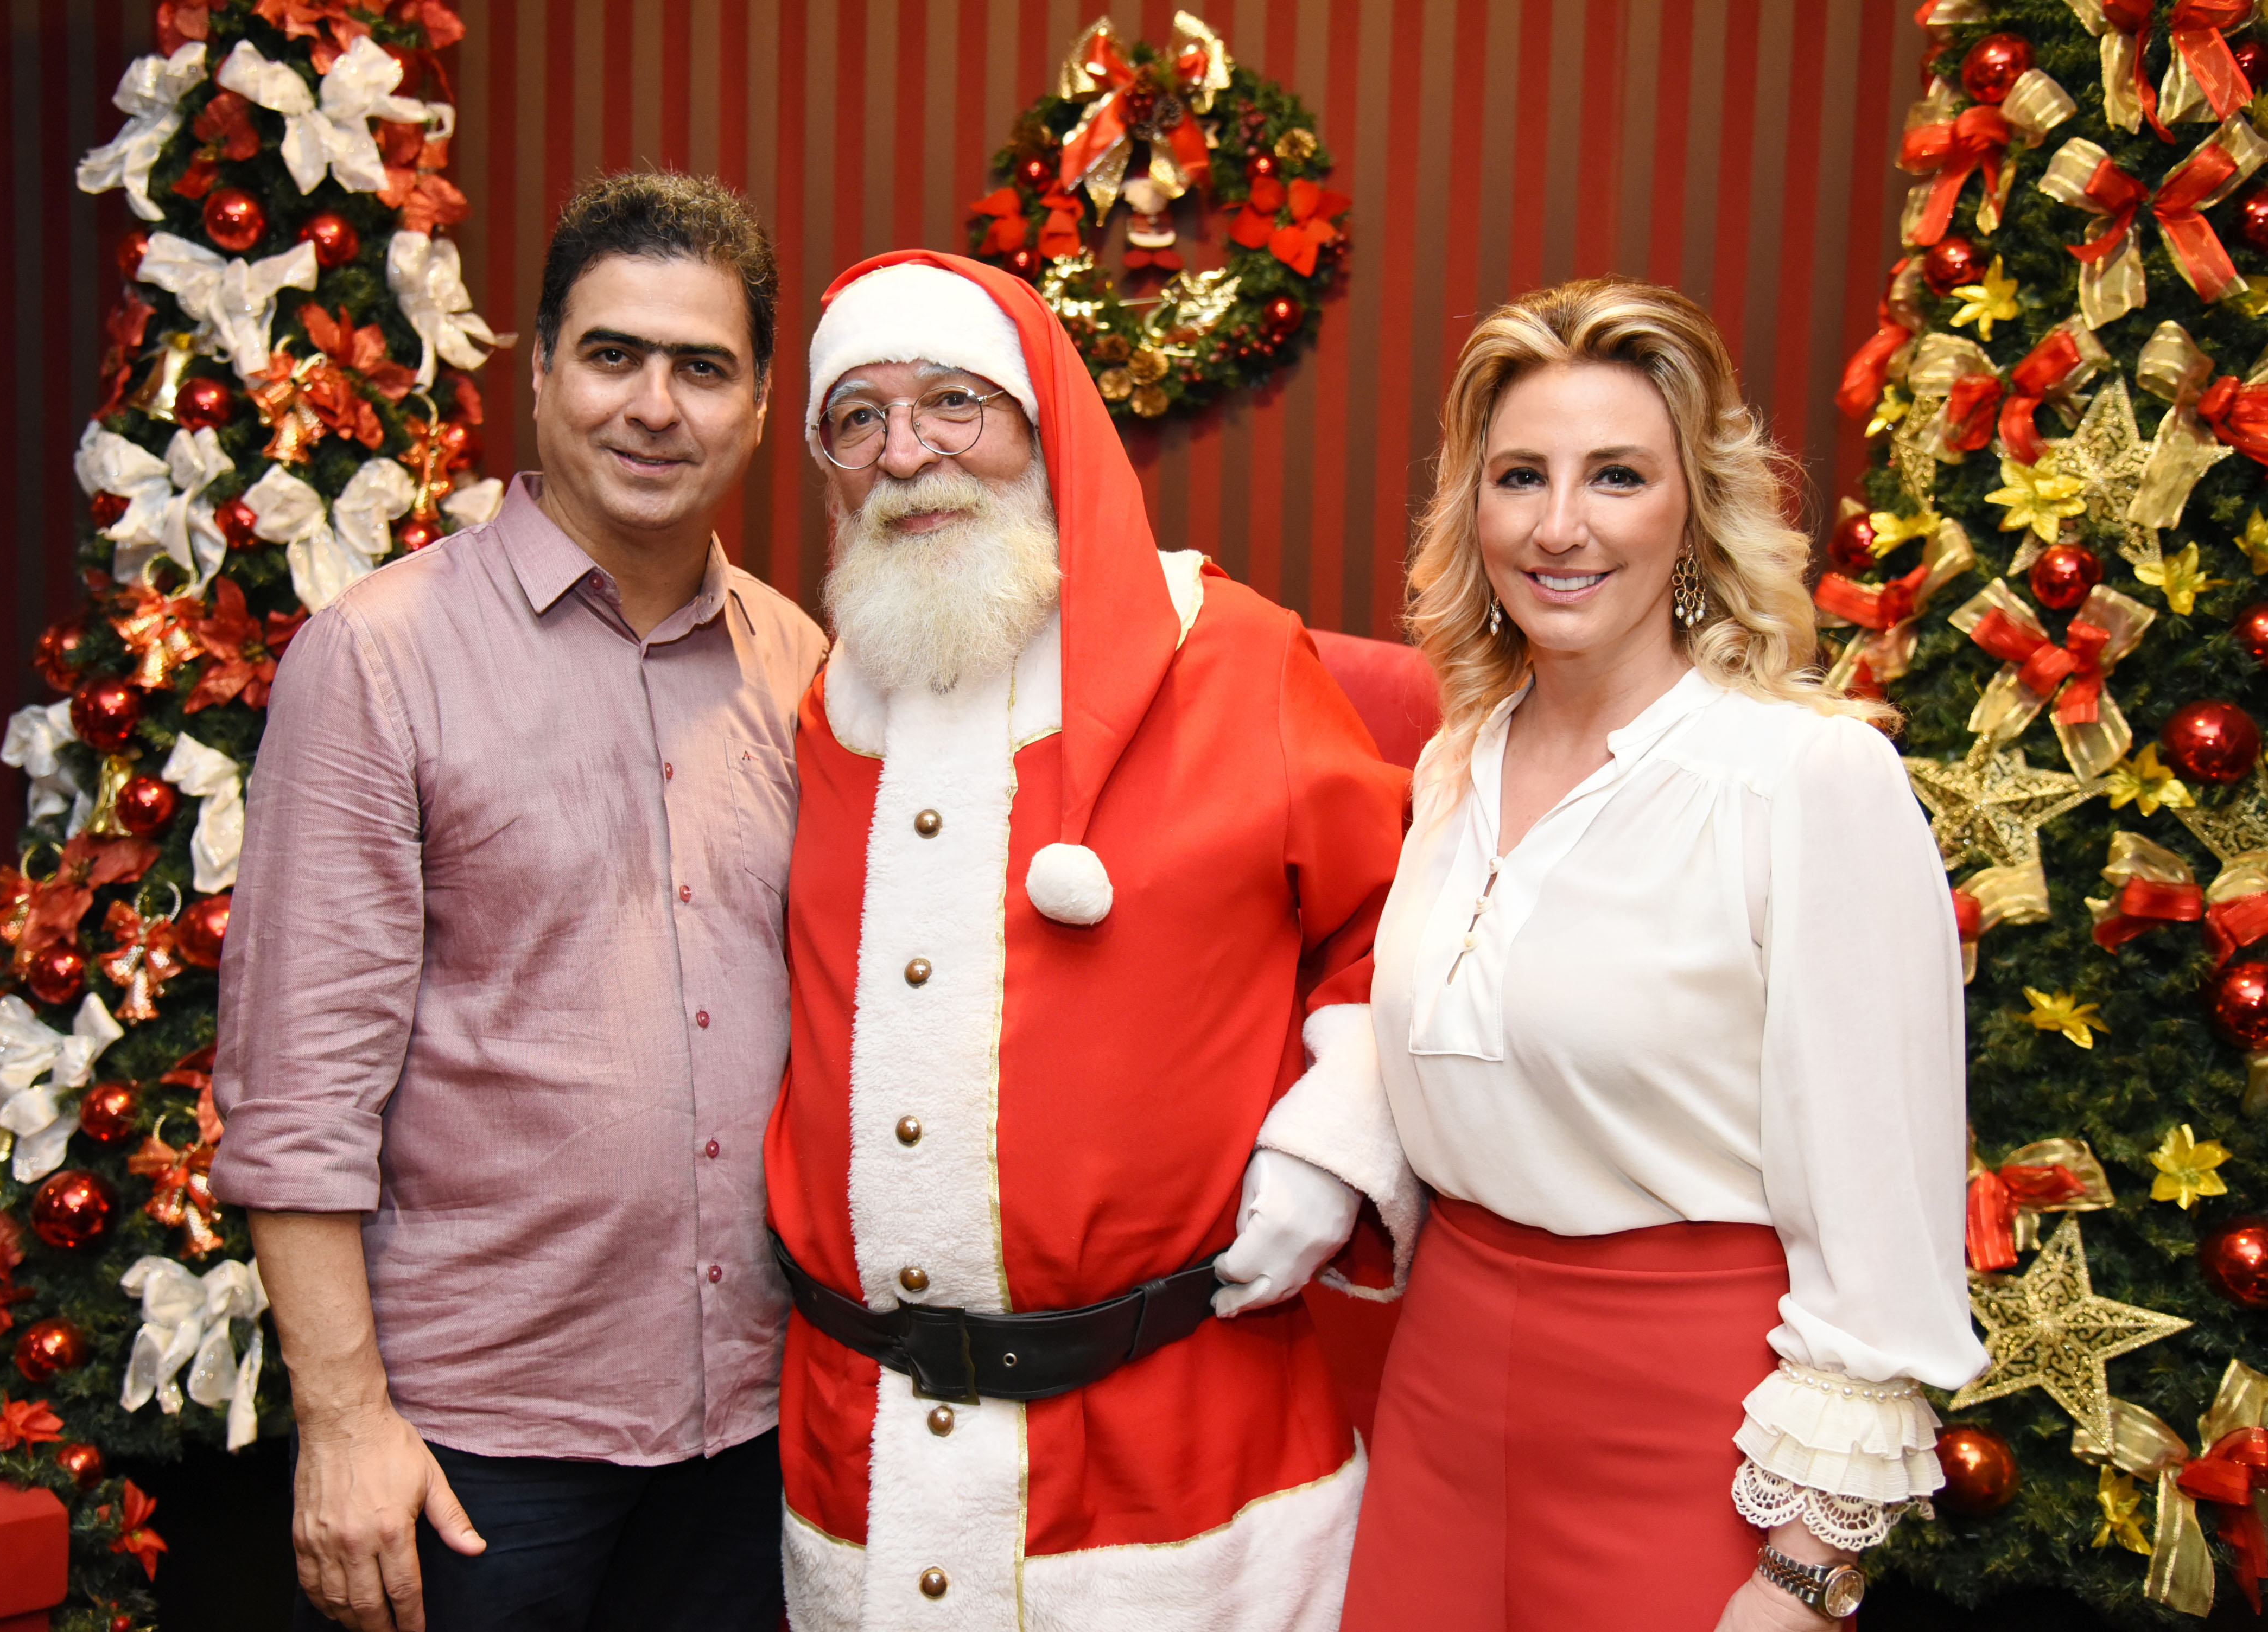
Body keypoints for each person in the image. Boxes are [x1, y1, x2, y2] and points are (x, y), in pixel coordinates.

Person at [763, 250, 1421, 1632]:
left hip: (1169, 1461)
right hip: (862, 1452)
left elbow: (1405, 921)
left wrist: (1334, 1140)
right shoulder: (827, 704)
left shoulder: (1236, 659)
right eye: (858, 419)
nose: (907, 454)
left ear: (1043, 420)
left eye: (955, 402)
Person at [211, 172, 824, 1632]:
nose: (655, 407)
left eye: (703, 368)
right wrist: (345, 1424)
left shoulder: (802, 665)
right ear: (539, 369)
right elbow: (297, 1092)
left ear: (758, 405)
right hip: (475, 1448)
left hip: (753, 1428)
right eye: (613, 355)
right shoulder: (380, 658)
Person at [1339, 278, 1987, 1631]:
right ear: (1473, 508)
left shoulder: (1807, 779)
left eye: (1618, 476)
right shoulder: (1454, 762)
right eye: (1521, 476)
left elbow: (1883, 1230)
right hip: (1440, 1393)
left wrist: (1800, 1575)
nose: (1559, 526)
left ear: (1693, 508)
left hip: (1692, 1426)